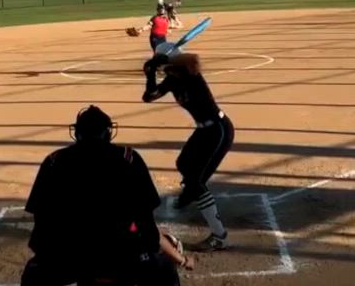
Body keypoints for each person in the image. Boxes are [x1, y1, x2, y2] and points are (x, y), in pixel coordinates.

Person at [21, 106, 179, 286]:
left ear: (77, 133)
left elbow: (41, 224)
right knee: (165, 269)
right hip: (122, 258)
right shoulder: (129, 158)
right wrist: (154, 249)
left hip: (69, 259)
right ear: (108, 133)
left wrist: (47, 255)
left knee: (33, 275)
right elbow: (146, 223)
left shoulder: (54, 161)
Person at [142, 52, 234, 252]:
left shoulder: (192, 75)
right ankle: (191, 193)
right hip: (204, 130)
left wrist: (167, 58)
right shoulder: (171, 81)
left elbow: (194, 59)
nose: (167, 71)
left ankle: (220, 236)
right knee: (183, 163)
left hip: (218, 129)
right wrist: (150, 74)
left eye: (169, 67)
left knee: (195, 180)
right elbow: (149, 96)